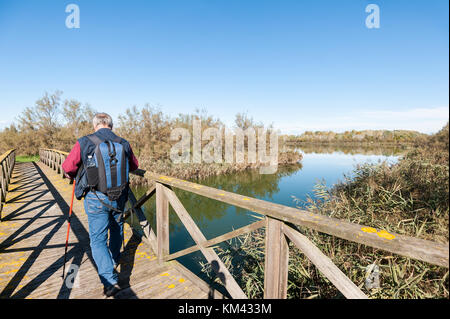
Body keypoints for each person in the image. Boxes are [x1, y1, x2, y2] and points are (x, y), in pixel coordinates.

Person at [62, 112, 139, 297]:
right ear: (110, 125)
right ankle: (113, 259)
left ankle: (109, 279)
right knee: (117, 228)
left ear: (95, 125)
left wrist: (71, 175)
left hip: (95, 198)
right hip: (119, 197)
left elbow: (67, 168)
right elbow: (135, 166)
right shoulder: (123, 142)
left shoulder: (84, 142)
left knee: (97, 239)